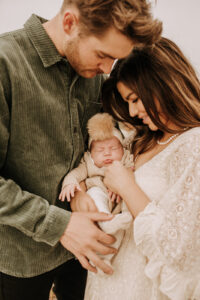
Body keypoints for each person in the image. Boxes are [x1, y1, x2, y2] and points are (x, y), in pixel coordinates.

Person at [0, 1, 162, 299]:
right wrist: (59, 225)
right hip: (21, 259)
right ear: (70, 23)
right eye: (103, 55)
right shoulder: (5, 63)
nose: (106, 70)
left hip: (87, 254)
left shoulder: (96, 76)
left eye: (115, 59)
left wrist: (83, 189)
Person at [84, 37, 200, 300]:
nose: (133, 111)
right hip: (108, 282)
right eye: (127, 102)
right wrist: (81, 192)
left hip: (144, 289)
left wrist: (126, 186)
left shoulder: (194, 145)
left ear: (163, 82)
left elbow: (181, 250)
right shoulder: (140, 139)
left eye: (135, 99)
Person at [59, 112, 133, 269]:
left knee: (127, 205)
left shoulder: (126, 159)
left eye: (113, 148)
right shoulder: (88, 163)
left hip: (119, 200)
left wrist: (123, 180)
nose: (107, 153)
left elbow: (132, 169)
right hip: (99, 193)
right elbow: (76, 173)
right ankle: (105, 222)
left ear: (123, 149)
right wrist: (69, 184)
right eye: (100, 150)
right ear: (90, 153)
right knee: (95, 195)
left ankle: (110, 250)